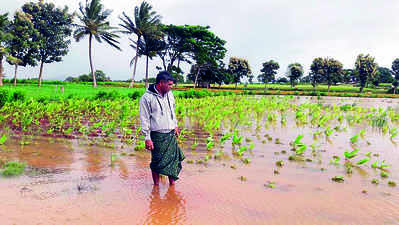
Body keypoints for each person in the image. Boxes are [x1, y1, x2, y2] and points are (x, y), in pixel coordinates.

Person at [139, 71, 185, 186]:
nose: (171, 87)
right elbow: (144, 118)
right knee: (157, 162)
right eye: (169, 85)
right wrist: (147, 137)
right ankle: (156, 186)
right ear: (161, 83)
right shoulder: (146, 98)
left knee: (173, 161)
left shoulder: (170, 94)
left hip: (170, 134)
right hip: (157, 135)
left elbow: (172, 111)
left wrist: (175, 125)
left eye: (171, 85)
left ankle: (172, 186)